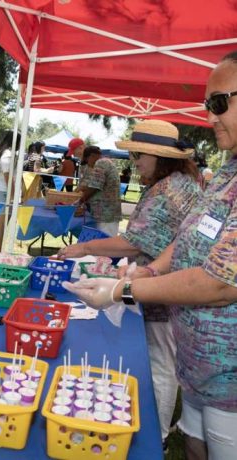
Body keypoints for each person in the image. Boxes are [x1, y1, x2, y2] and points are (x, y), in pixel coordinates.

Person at [62, 51, 237, 460]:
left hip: (229, 377)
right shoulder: (229, 169)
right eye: (206, 104)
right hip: (198, 367)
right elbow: (191, 234)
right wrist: (149, 272)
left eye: (219, 103)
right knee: (195, 448)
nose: (209, 116)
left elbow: (221, 283)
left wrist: (123, 290)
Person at [57, 119, 202, 448]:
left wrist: (83, 247)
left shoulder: (168, 190)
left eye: (139, 155)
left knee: (162, 364)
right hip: (169, 285)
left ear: (159, 156)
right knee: (165, 362)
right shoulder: (179, 182)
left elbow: (133, 243)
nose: (134, 162)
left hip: (168, 291)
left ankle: (158, 436)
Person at [77, 145, 122, 236]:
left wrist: (79, 201)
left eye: (87, 161)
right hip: (104, 213)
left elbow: (94, 187)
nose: (88, 164)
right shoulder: (106, 163)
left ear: (92, 156)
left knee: (105, 244)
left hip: (107, 214)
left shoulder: (101, 163)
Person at [0, 130, 21, 253]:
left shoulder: (2, 153)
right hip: (2, 193)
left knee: (1, 226)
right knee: (0, 226)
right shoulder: (7, 156)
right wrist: (14, 197)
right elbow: (9, 180)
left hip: (0, 192)